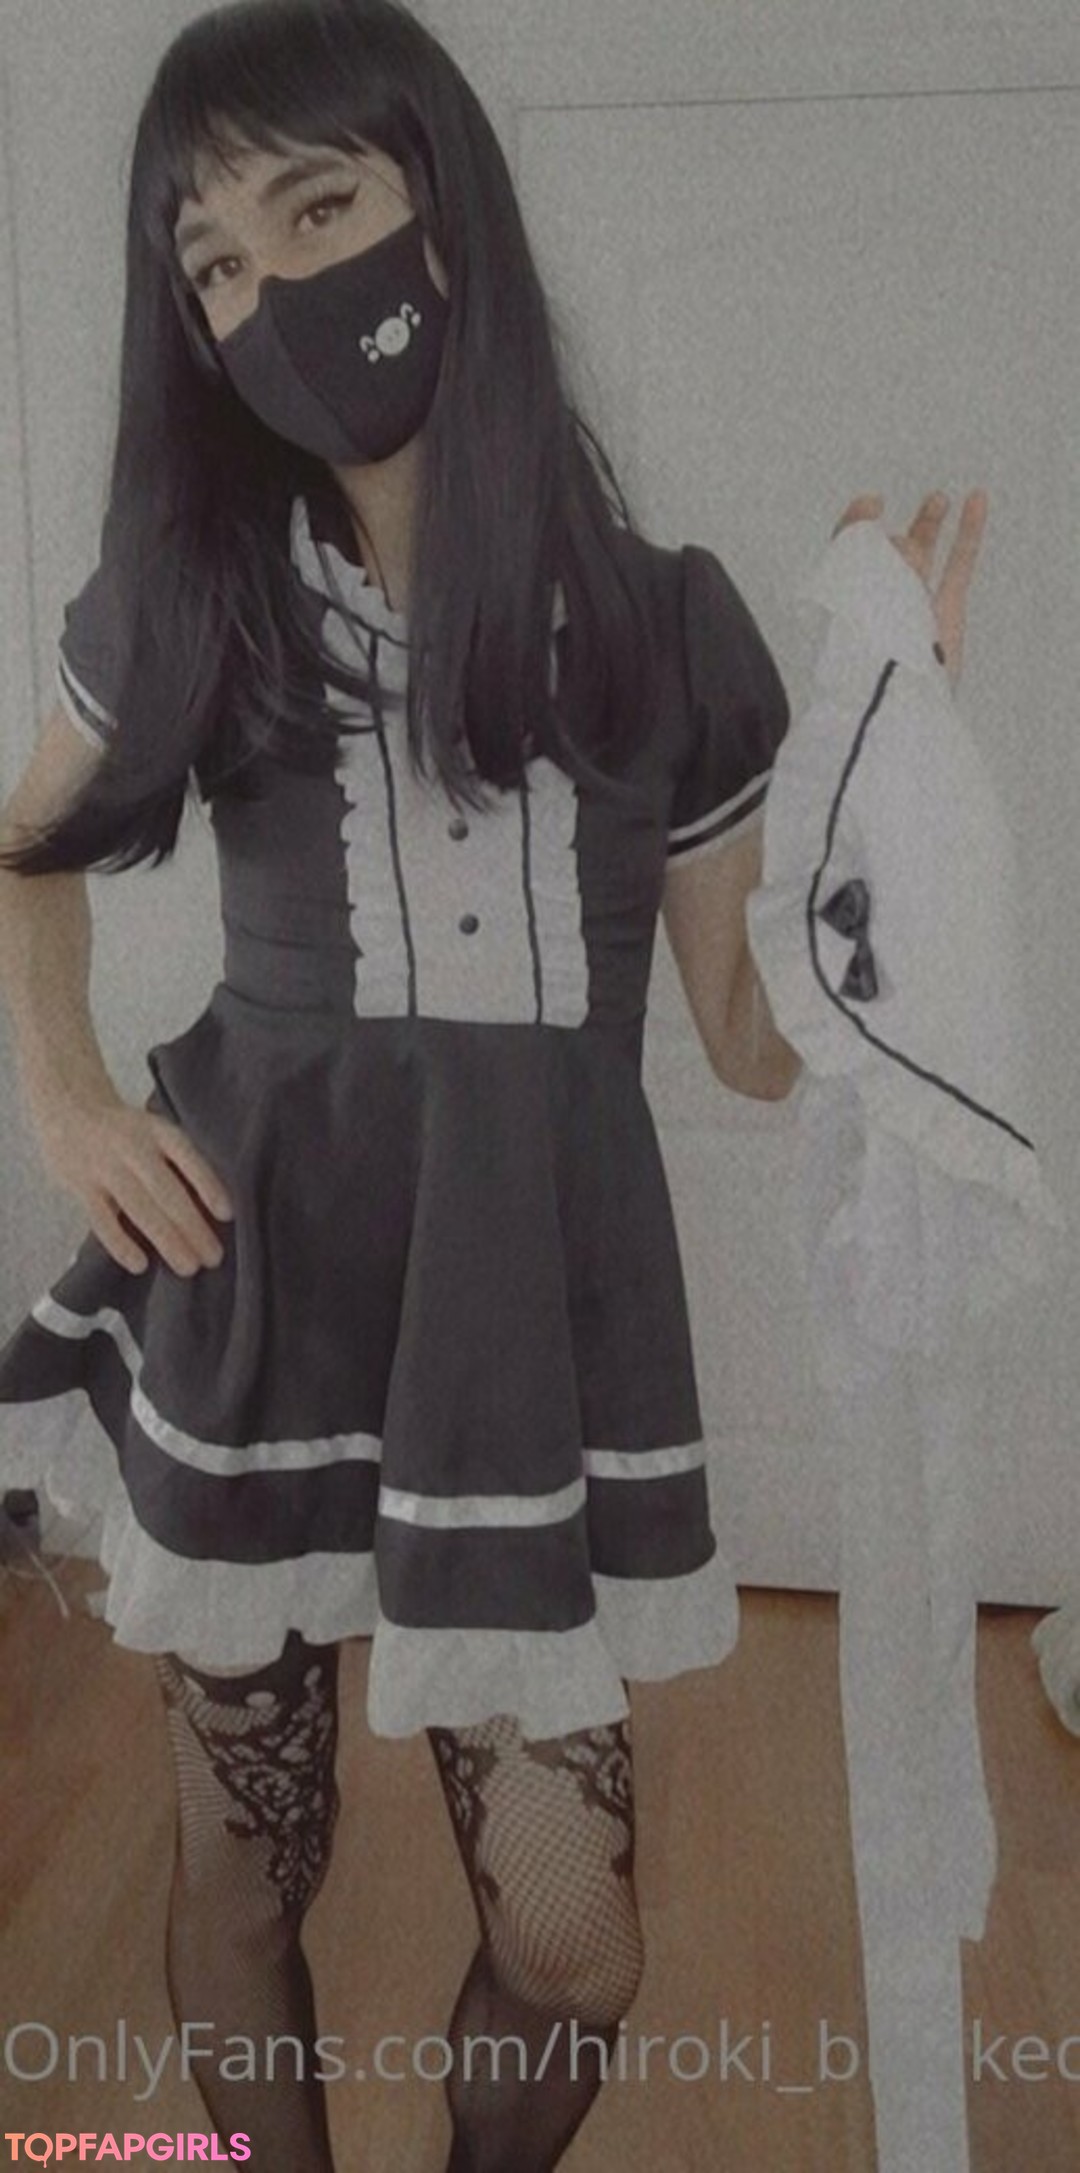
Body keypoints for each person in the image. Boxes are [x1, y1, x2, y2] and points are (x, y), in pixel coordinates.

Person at [0, 0, 986, 2166]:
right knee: (245, 1865)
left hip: (526, 1326)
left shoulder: (663, 626)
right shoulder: (192, 595)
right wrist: (65, 1101)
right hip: (253, 1285)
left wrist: (880, 788)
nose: (271, 291)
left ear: (444, 210)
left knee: (575, 1940)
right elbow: (23, 849)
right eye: (214, 264)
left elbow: (750, 1043)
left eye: (315, 210)